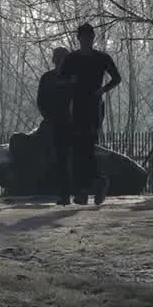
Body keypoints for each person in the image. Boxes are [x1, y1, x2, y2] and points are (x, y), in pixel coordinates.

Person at [57, 23, 122, 205]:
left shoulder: (102, 58)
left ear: (93, 39)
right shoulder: (72, 58)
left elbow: (117, 78)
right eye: (84, 38)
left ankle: (94, 184)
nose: (87, 41)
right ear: (79, 39)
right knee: (78, 148)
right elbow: (60, 78)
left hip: (93, 105)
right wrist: (70, 80)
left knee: (89, 145)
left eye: (89, 37)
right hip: (76, 105)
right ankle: (85, 189)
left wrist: (103, 90)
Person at [37, 47, 73, 204]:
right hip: (60, 122)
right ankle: (66, 193)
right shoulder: (49, 78)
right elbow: (41, 101)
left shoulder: (72, 78)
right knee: (62, 159)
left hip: (70, 122)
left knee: (66, 159)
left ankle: (69, 193)